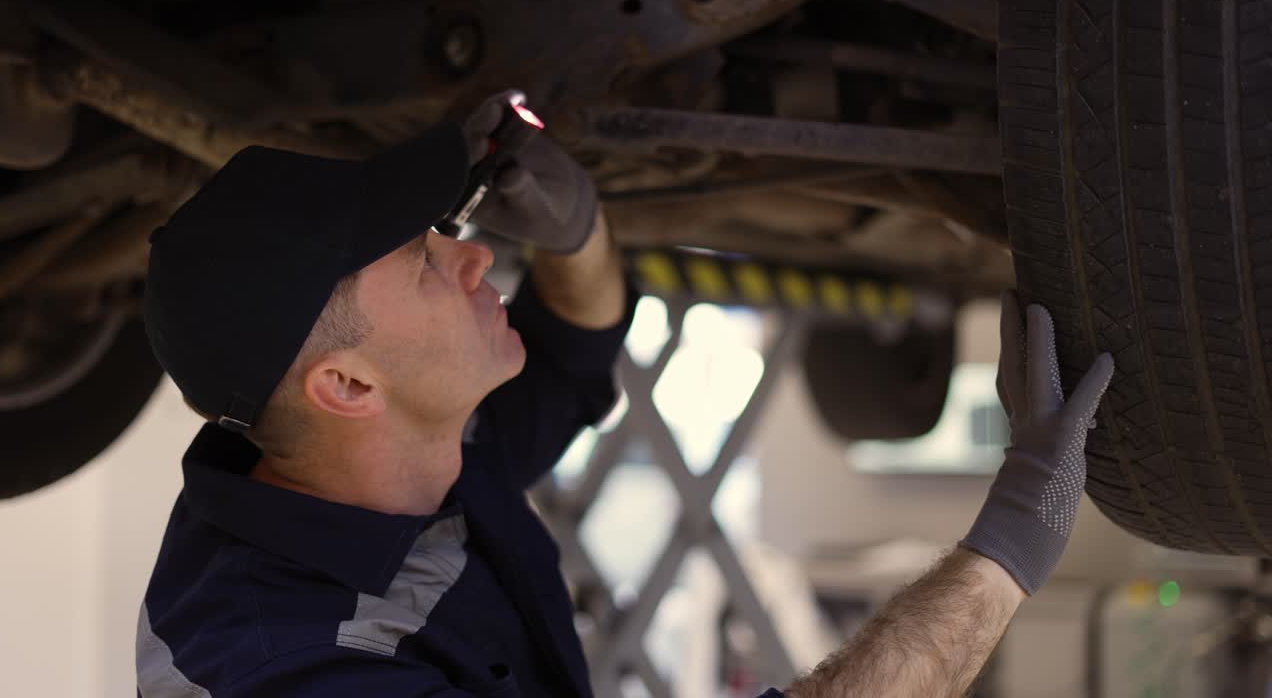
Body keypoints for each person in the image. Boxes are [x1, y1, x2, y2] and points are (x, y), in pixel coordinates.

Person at [137, 92, 1113, 698]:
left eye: (443, 230)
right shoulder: (294, 667)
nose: (476, 253)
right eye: (429, 264)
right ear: (347, 383)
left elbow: (571, 358)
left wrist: (579, 236)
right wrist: (1013, 539)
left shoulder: (362, 456)